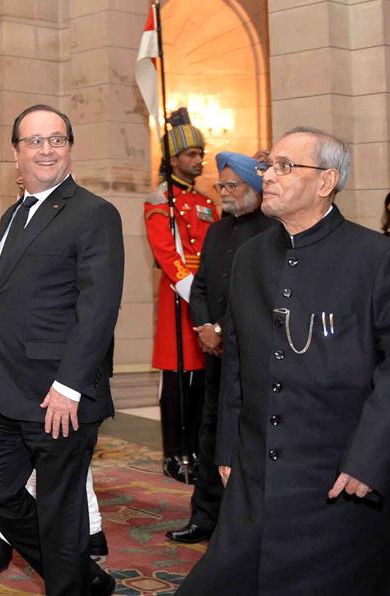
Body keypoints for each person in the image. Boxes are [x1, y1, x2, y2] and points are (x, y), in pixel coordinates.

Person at [180, 127, 390, 596]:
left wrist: (368, 461)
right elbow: (236, 361)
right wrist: (228, 447)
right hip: (258, 477)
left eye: (284, 166)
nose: (267, 175)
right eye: (269, 165)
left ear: (326, 181)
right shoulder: (251, 257)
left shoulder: (378, 258)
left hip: (340, 480)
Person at [0, 105, 122, 596]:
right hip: (10, 394)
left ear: (70, 148)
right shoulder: (13, 214)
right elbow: (4, 306)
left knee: (60, 511)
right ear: (15, 153)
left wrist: (69, 386)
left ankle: (69, 583)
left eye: (56, 139)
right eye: (34, 141)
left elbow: (97, 311)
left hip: (61, 395)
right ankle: (81, 574)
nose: (47, 150)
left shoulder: (95, 213)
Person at [165, 152, 275, 546]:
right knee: (209, 433)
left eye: (232, 186)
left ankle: (242, 521)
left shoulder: (272, 230)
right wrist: (204, 327)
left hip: (253, 353)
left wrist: (223, 329)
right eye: (221, 186)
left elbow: (262, 294)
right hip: (215, 353)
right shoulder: (217, 231)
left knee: (247, 436)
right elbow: (203, 287)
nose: (224, 193)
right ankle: (204, 515)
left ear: (255, 188)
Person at [144, 122, 218, 482]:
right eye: (191, 154)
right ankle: (174, 454)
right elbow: (162, 246)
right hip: (178, 293)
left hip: (204, 293)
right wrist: (187, 284)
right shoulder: (161, 198)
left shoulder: (205, 202)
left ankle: (197, 449)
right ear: (173, 159)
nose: (198, 159)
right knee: (176, 381)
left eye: (200, 153)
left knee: (202, 381)